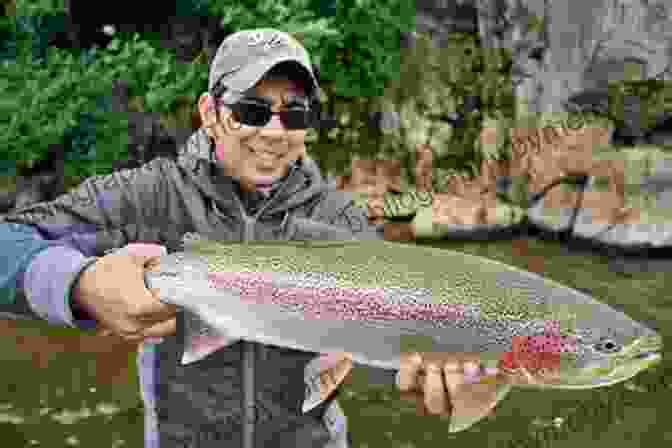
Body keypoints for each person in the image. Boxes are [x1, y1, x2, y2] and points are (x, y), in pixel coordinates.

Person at [0, 28, 500, 448]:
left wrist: (421, 372)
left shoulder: (340, 218)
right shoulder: (146, 195)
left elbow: (356, 352)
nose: (276, 132)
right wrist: (79, 283)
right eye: (252, 111)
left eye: (296, 114)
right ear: (209, 111)